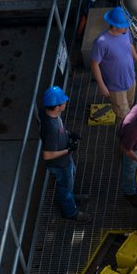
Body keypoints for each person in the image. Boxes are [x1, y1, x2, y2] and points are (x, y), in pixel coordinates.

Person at [39, 86, 90, 223]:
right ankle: (70, 212)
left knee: (70, 178)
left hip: (65, 160)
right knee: (65, 187)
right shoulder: (51, 129)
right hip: (60, 164)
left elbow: (60, 130)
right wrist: (68, 150)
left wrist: (68, 134)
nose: (65, 103)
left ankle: (72, 197)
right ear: (57, 107)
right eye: (63, 102)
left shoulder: (51, 115)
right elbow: (47, 155)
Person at [90, 6, 137, 124]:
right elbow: (94, 64)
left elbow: (130, 46)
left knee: (130, 105)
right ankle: (124, 131)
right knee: (123, 115)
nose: (127, 27)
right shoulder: (101, 42)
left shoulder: (125, 33)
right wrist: (101, 85)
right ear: (115, 26)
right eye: (124, 25)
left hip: (131, 79)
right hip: (116, 87)